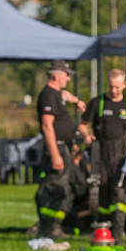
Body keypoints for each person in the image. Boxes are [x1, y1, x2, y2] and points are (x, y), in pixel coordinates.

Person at [79, 69, 126, 244]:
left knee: (119, 191)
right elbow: (83, 125)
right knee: (103, 192)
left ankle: (118, 232)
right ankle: (103, 231)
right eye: (111, 87)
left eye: (117, 87)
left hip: (122, 153)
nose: (113, 91)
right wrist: (86, 136)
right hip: (101, 152)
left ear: (124, 85)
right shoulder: (97, 102)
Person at [35, 60, 83, 240]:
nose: (68, 78)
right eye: (66, 75)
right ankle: (47, 228)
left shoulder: (57, 94)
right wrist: (55, 154)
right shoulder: (48, 95)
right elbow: (47, 126)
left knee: (66, 189)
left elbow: (65, 95)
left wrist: (77, 101)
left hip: (65, 147)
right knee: (55, 189)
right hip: (58, 148)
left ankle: (56, 226)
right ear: (56, 76)